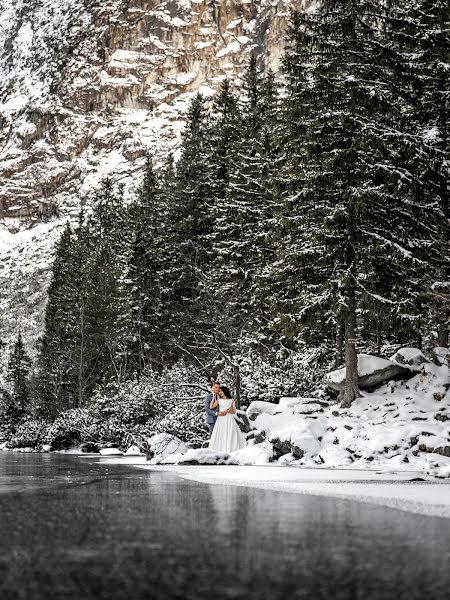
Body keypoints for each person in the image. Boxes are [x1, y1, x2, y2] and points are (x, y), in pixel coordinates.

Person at [208, 385, 246, 453]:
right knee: (221, 434)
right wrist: (214, 397)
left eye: (221, 391)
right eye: (219, 392)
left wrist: (227, 411)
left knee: (230, 433)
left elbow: (233, 411)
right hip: (221, 419)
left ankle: (230, 449)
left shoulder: (231, 400)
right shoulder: (219, 400)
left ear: (224, 391)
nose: (220, 393)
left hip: (229, 418)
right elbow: (211, 407)